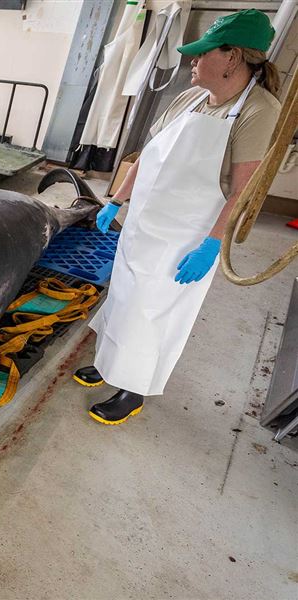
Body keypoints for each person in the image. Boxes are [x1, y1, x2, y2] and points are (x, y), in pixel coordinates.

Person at [74, 9, 281, 425]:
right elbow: (145, 158)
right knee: (124, 300)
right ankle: (109, 364)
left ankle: (133, 389)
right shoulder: (190, 99)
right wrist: (116, 201)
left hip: (185, 238)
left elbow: (242, 191)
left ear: (232, 58)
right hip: (144, 223)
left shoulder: (259, 109)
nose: (193, 61)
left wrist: (213, 244)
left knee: (153, 313)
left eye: (203, 53)